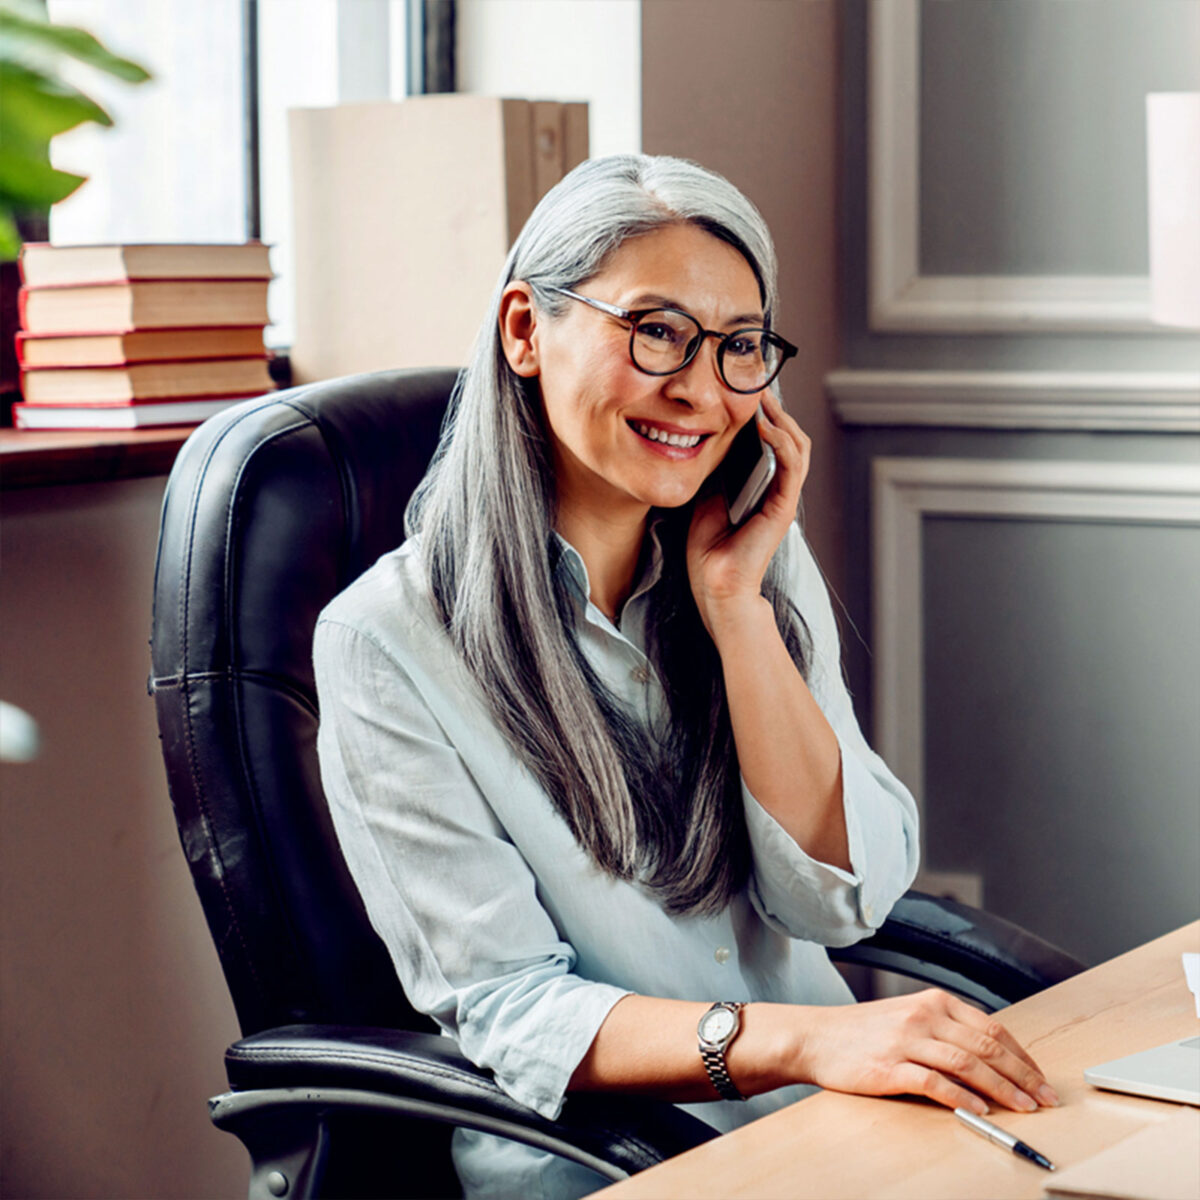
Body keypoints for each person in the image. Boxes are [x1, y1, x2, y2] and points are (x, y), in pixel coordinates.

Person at [313, 154, 1056, 1199]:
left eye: (740, 346)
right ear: (525, 330)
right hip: (611, 1169)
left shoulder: (749, 555)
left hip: (840, 1134)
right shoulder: (386, 641)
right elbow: (516, 1007)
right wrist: (799, 1043)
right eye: (656, 331)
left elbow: (844, 900)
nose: (702, 391)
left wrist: (737, 612)